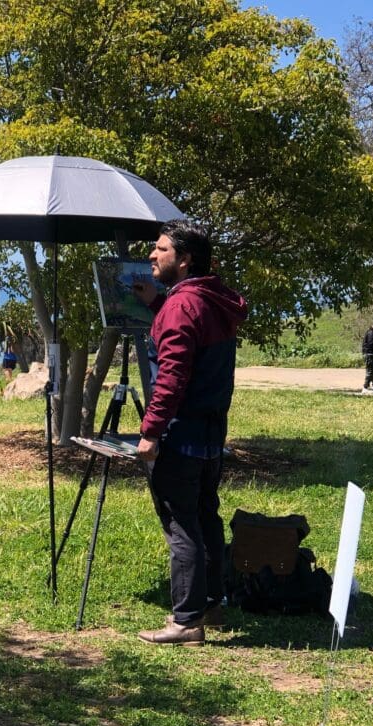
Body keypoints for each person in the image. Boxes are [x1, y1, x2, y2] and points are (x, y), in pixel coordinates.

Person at [133, 219, 248, 646]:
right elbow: (193, 342)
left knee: (181, 524)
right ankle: (211, 605)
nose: (151, 255)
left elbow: (173, 376)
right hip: (210, 433)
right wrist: (156, 304)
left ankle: (185, 622)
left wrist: (151, 431)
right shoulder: (210, 300)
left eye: (160, 249)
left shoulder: (182, 307)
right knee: (205, 517)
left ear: (183, 260)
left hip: (180, 435)